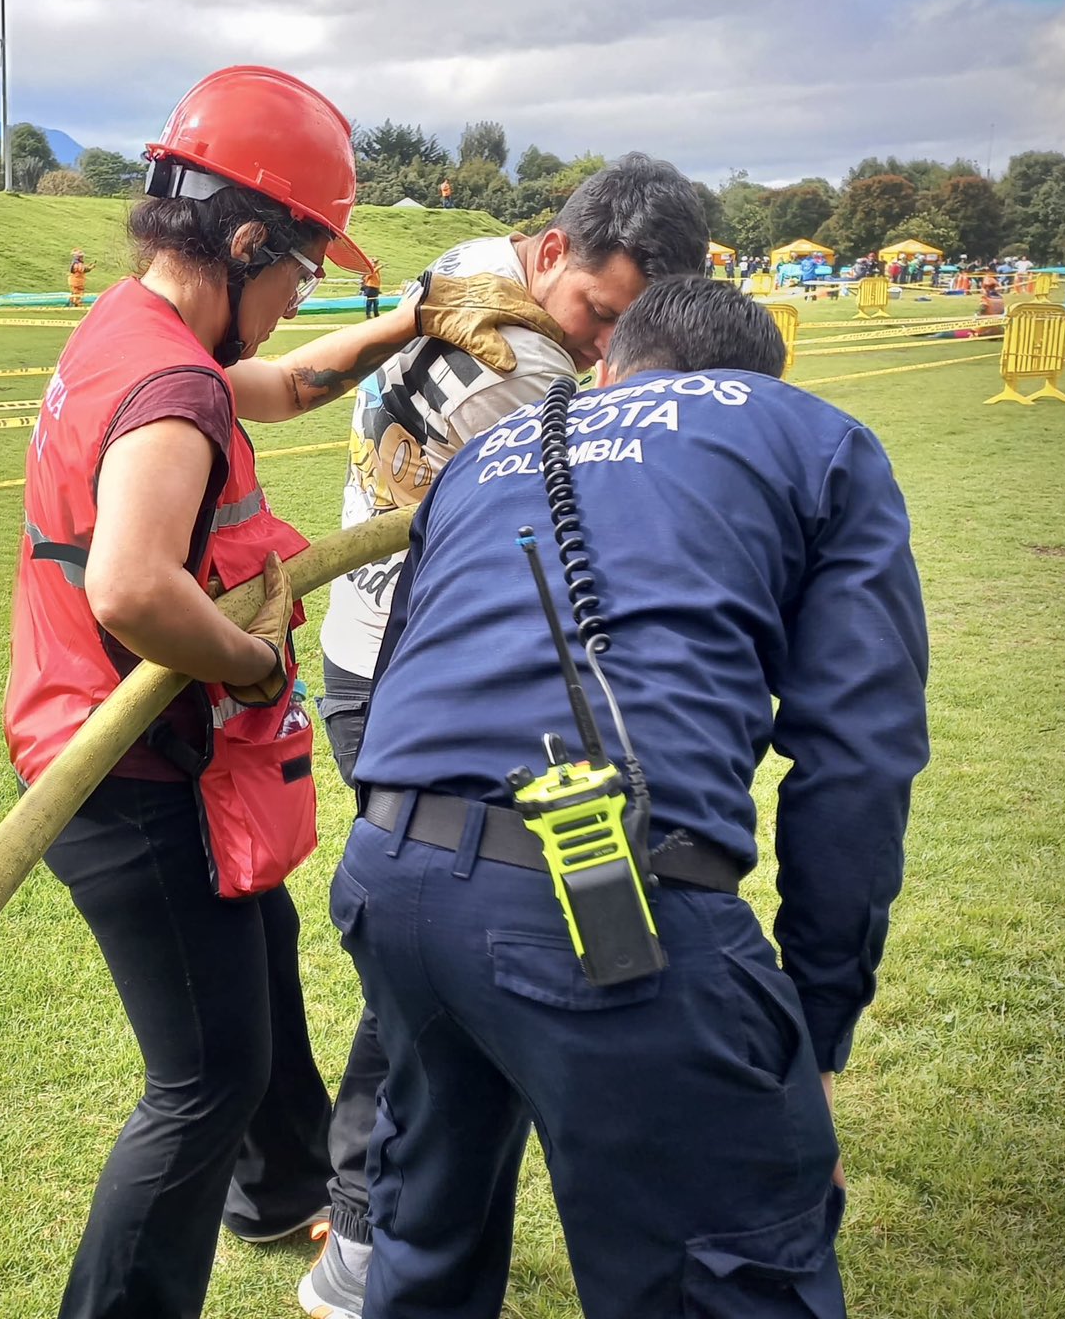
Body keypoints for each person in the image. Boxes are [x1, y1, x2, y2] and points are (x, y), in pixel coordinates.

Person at [4, 65, 539, 1319]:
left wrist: (403, 326)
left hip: (105, 752)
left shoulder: (137, 337)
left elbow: (284, 387)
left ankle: (269, 1190)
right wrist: (251, 660)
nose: (303, 289)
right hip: (129, 778)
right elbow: (134, 590)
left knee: (263, 954)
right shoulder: (171, 386)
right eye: (300, 264)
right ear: (245, 239)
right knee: (201, 1081)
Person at [335, 275, 928, 1317]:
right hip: (604, 907)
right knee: (719, 1275)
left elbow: (397, 675)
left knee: (422, 1247)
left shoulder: (490, 450)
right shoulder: (815, 439)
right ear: (758, 378)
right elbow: (858, 758)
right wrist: (814, 1025)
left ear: (609, 364)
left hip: (392, 879)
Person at [301, 153, 708, 1319]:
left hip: (403, 659)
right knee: (440, 951)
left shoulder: (472, 270)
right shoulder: (521, 377)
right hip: (407, 677)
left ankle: (374, 1221)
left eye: (626, 326)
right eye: (596, 313)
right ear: (548, 253)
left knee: (438, 950)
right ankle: (368, 1230)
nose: (598, 346)